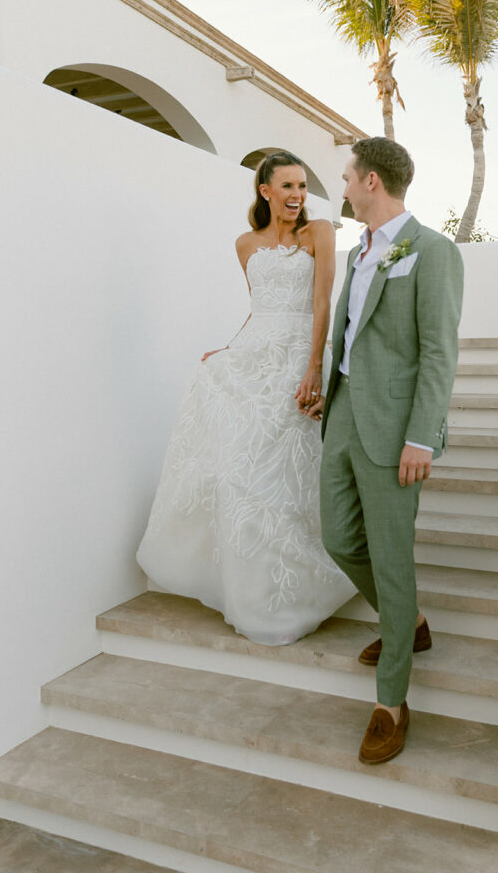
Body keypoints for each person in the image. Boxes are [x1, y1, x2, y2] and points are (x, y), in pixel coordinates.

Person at [136, 151, 355, 644]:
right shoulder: (245, 244)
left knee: (279, 468)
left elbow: (323, 303)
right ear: (265, 191)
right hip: (255, 352)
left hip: (300, 355)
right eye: (288, 186)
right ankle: (248, 589)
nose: (298, 195)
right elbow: (258, 310)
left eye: (303, 186)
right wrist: (230, 349)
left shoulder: (320, 233)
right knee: (237, 469)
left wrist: (314, 367)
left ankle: (301, 579)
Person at [310, 137, 464, 764]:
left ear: (371, 181)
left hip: (397, 426)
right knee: (339, 539)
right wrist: (325, 389)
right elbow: (352, 332)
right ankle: (409, 623)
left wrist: (421, 435)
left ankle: (391, 700)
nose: (341, 186)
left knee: (392, 559)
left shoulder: (433, 251)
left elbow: (438, 353)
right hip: (343, 414)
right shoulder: (360, 251)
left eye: (346, 177)